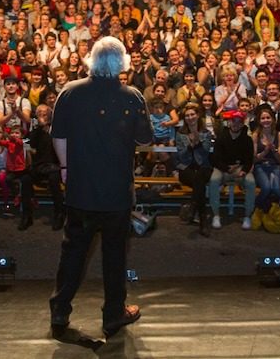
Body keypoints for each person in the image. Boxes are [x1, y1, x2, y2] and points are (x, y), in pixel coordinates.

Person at [49, 36, 152, 339]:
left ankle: (59, 310)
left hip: (81, 190)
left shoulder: (69, 92)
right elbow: (145, 140)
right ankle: (112, 315)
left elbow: (58, 136)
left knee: (72, 254)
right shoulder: (131, 96)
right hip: (116, 193)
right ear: (122, 63)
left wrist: (66, 170)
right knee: (114, 255)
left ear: (91, 60)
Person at [208, 110, 256, 230]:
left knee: (250, 182)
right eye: (233, 121)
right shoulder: (221, 137)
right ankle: (216, 215)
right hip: (222, 168)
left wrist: (244, 170)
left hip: (240, 169)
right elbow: (215, 158)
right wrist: (226, 168)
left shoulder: (247, 139)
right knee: (214, 180)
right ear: (229, 122)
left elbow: (249, 159)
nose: (236, 124)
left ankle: (247, 216)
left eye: (239, 121)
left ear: (242, 123)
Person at [175, 103, 214, 236]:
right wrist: (190, 146)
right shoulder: (180, 134)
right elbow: (180, 156)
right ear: (184, 118)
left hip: (203, 166)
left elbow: (205, 154)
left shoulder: (206, 133)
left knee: (199, 179)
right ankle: (202, 220)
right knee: (199, 183)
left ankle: (193, 207)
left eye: (192, 114)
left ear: (198, 116)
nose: (190, 117)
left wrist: (198, 143)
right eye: (187, 115)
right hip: (186, 168)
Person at [28, 104, 66, 230]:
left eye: (45, 113)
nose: (42, 116)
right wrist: (39, 127)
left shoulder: (57, 128)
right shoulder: (36, 130)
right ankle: (26, 215)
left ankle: (59, 213)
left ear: (51, 114)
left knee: (54, 179)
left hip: (55, 166)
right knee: (25, 178)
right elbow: (32, 144)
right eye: (39, 113)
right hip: (40, 165)